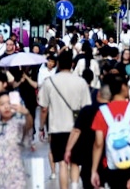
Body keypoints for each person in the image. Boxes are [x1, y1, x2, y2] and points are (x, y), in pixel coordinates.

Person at [90, 73, 130, 189]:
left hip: (112, 165)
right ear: (124, 88)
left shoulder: (102, 113)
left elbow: (98, 143)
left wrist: (94, 170)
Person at [40, 50, 92, 189]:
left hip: (56, 128)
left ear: (57, 63)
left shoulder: (49, 82)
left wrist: (41, 128)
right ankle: (74, 186)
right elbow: (87, 108)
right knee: (75, 161)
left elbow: (44, 108)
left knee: (62, 163)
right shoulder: (81, 82)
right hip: (76, 128)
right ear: (72, 64)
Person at [66, 85, 111, 189]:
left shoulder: (86, 110)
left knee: (88, 180)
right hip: (107, 152)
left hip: (86, 151)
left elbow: (76, 130)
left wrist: (68, 149)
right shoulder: (111, 111)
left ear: (98, 95)